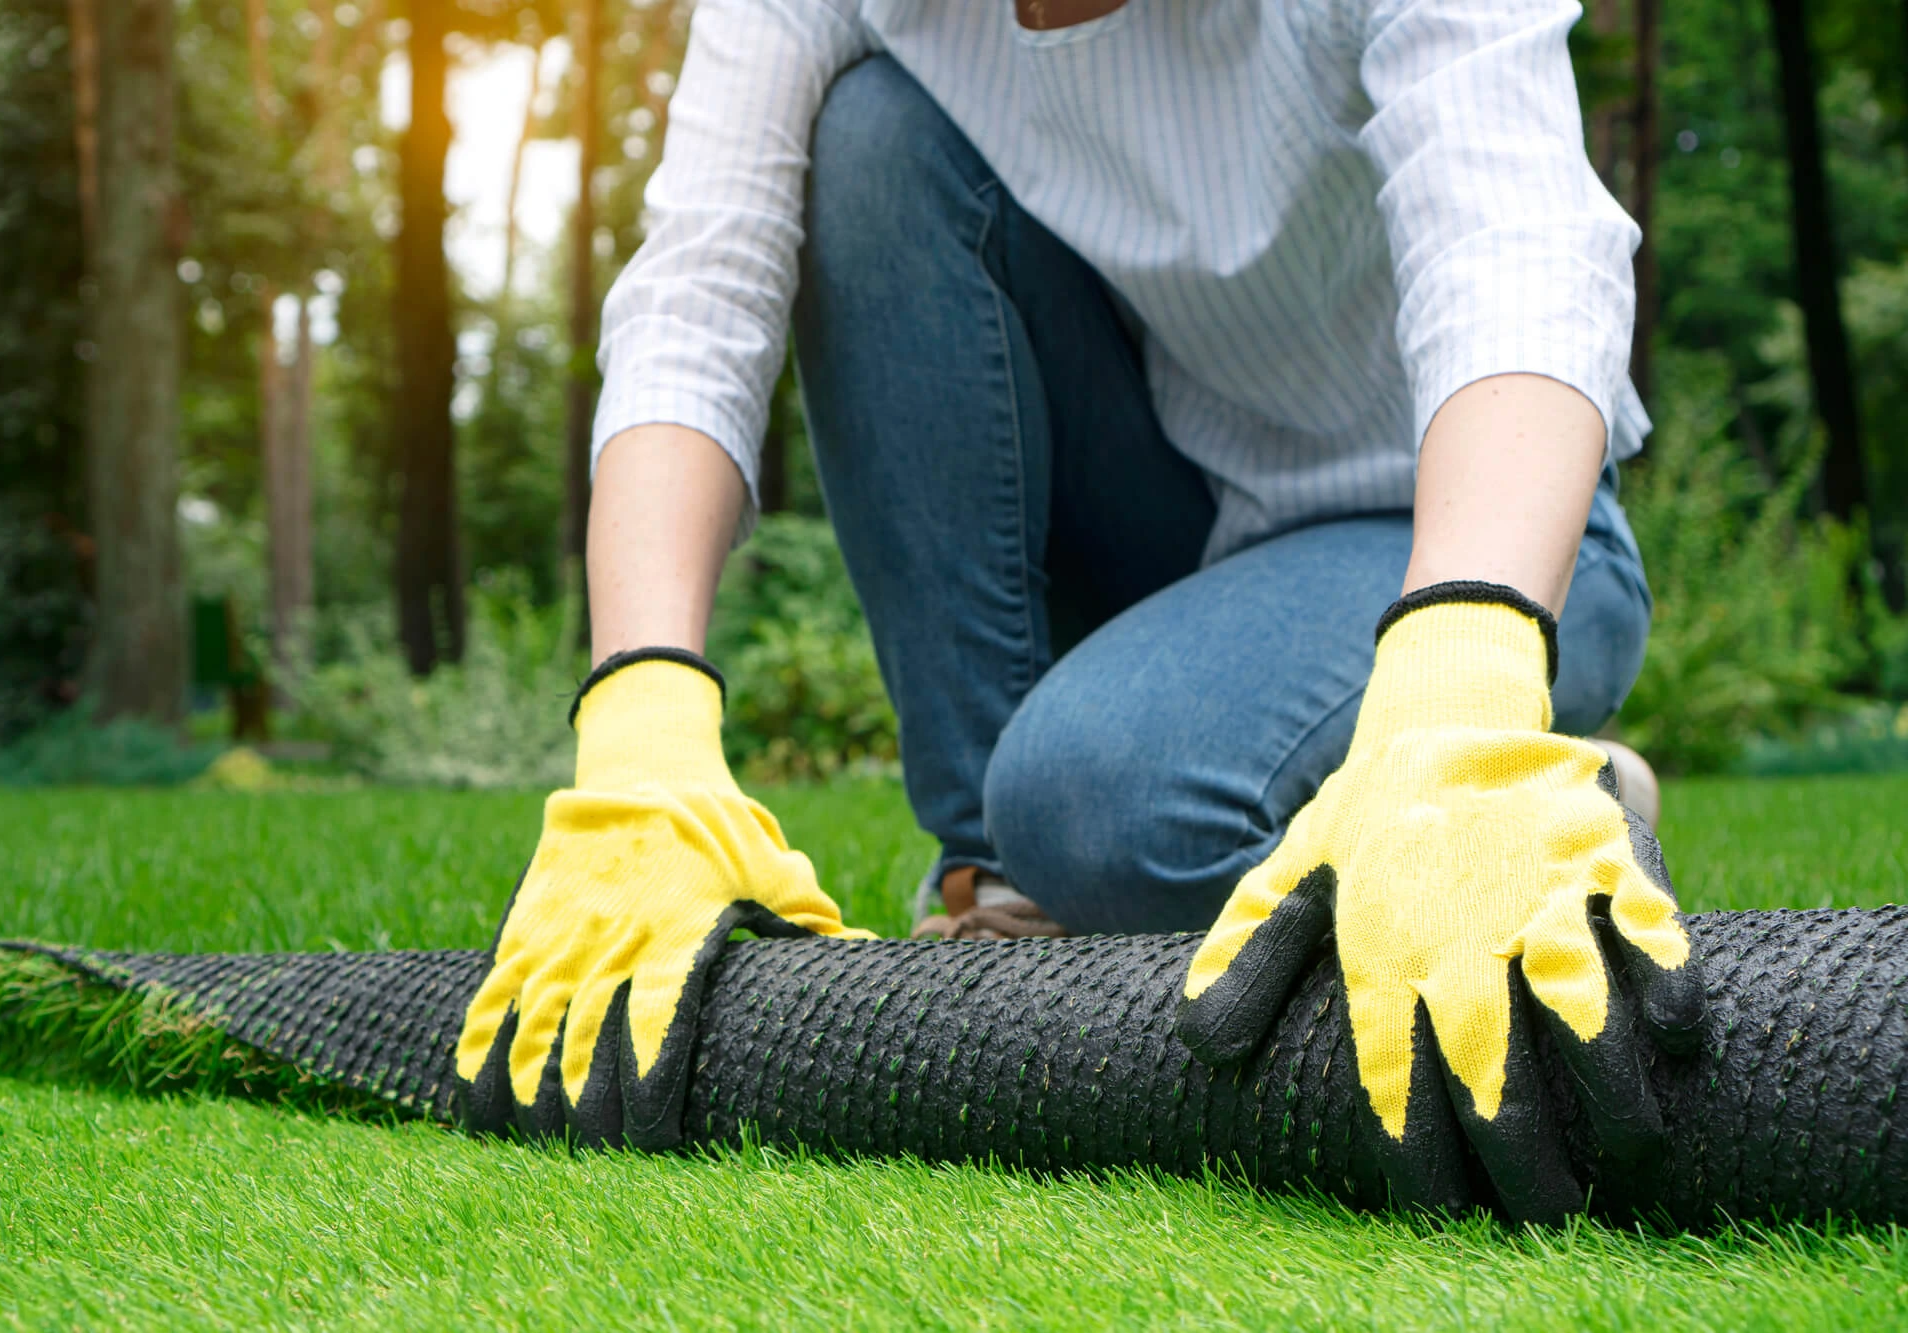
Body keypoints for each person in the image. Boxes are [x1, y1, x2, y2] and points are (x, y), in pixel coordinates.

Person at [453, 0, 1704, 1221]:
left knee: (1092, 806)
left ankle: (1474, 760)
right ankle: (1001, 885)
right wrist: (642, 718)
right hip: (1188, 507)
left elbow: (1514, 243)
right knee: (874, 140)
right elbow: (698, 291)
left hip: (1470, 535)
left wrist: (1462, 670)